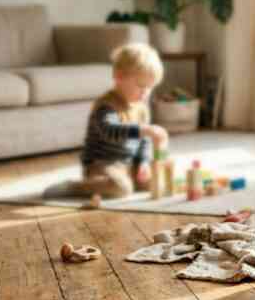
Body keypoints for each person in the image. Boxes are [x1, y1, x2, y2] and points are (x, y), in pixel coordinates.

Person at [45, 42, 169, 199]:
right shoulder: (106, 105)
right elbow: (110, 131)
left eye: (150, 87)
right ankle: (74, 186)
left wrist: (143, 162)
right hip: (102, 165)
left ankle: (128, 178)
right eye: (140, 85)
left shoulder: (141, 108)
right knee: (121, 188)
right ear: (119, 77)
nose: (145, 93)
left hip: (129, 165)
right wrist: (142, 130)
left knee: (157, 181)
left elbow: (143, 143)